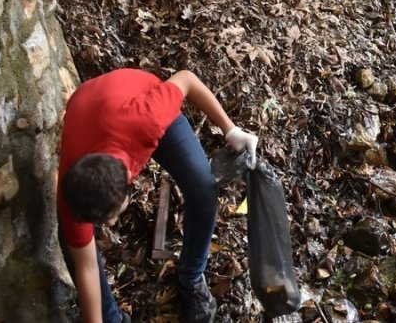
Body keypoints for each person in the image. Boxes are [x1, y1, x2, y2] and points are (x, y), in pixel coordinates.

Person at [57, 68, 258, 323]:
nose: (110, 224)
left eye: (111, 216)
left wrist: (230, 130)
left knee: (203, 190)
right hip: (92, 110)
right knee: (69, 237)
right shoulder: (74, 191)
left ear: (127, 187)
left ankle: (191, 277)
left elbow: (186, 79)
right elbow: (86, 266)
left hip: (138, 98)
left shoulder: (148, 117)